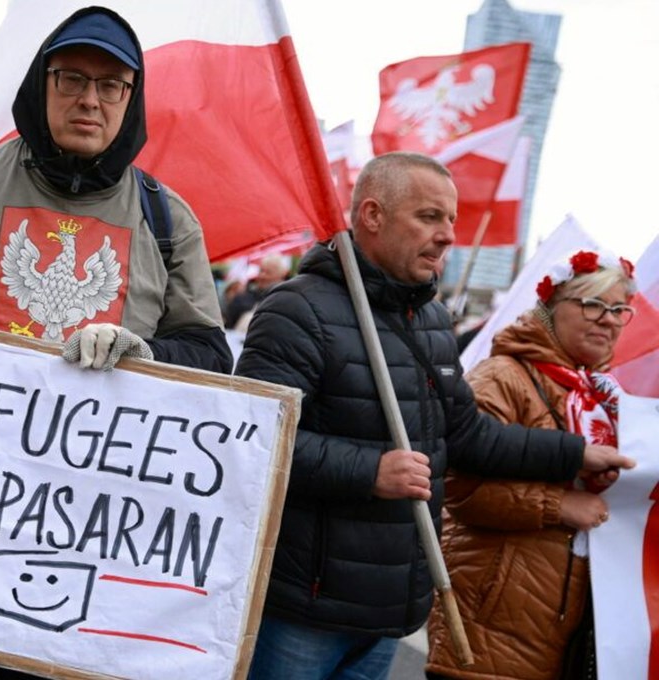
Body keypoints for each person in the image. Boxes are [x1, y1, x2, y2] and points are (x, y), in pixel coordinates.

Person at [0, 7, 228, 678]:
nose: (90, 99)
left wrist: (146, 359)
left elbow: (209, 356)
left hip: (89, 550)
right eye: (72, 79)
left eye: (112, 85)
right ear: (40, 85)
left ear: (131, 98)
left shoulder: (169, 219)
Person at [233, 152, 634, 679]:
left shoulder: (431, 318)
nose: (447, 235)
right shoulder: (296, 309)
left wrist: (577, 453)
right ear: (372, 215)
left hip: (388, 610)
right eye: (429, 217)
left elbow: (467, 435)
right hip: (302, 608)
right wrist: (370, 471)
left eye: (451, 219)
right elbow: (250, 438)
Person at [425, 251, 636, 680]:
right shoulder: (502, 377)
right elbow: (457, 489)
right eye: (594, 305)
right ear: (553, 307)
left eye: (619, 310)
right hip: (493, 628)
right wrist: (557, 505)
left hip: (560, 632)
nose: (609, 320)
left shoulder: (601, 394)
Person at [222, 253, 291, 330]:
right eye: (261, 271)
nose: (262, 276)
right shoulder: (241, 299)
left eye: (268, 272)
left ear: (281, 276)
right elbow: (228, 327)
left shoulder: (288, 302)